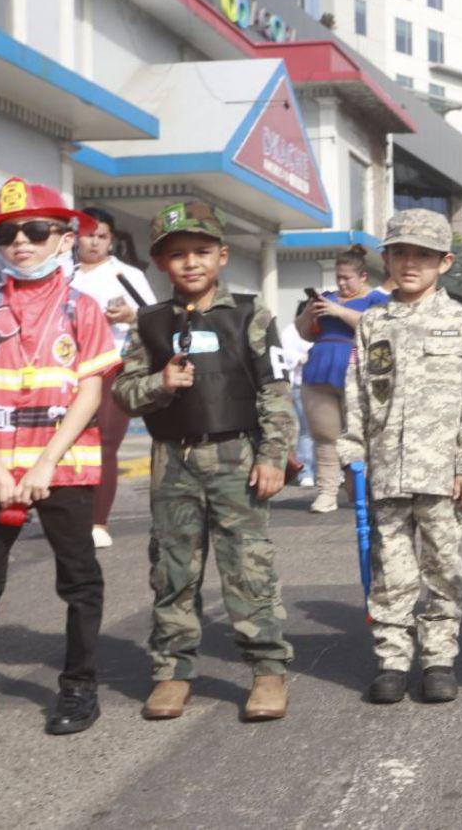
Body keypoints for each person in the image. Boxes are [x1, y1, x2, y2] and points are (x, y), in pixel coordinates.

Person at [112, 200, 296, 722]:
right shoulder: (148, 324)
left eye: (200, 252)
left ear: (221, 255)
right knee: (173, 570)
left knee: (248, 566)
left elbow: (276, 391)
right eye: (176, 255)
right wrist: (159, 384)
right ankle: (172, 671)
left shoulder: (251, 315)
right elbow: (124, 392)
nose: (189, 263)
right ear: (161, 264)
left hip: (238, 455)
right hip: (173, 459)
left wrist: (273, 456)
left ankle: (267, 669)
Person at [339, 209, 462, 705]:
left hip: (441, 472)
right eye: (400, 252)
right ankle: (393, 660)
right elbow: (357, 391)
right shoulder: (373, 320)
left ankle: (439, 658)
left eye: (423, 255)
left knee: (444, 567)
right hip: (385, 468)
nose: (410, 263)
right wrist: (352, 452)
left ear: (444, 262)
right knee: (392, 572)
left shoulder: (458, 319)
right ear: (387, 258)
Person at [0, 178, 120, 735]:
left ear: (64, 240)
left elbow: (91, 391)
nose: (20, 241)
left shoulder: (83, 308)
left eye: (35, 230)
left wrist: (44, 463)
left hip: (63, 466)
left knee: (78, 579)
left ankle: (78, 686)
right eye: (7, 233)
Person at [69, 206, 157, 548]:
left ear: (112, 240)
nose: (94, 242)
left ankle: (98, 522)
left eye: (102, 236)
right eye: (88, 234)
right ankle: (67, 518)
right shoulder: (62, 272)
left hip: (111, 367)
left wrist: (129, 316)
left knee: (105, 443)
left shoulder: (126, 275)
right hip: (67, 371)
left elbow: (154, 319)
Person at [297, 246, 389, 513]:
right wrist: (310, 312)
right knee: (324, 436)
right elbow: (305, 333)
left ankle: (360, 489)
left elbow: (378, 329)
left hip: (358, 374)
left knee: (359, 437)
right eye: (338, 277)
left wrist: (339, 312)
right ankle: (326, 492)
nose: (341, 283)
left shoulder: (376, 300)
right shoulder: (327, 298)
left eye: (346, 277)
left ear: (362, 276)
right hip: (319, 372)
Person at [281, 303, 315, 487]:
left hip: (322, 385)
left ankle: (328, 472)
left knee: (328, 432)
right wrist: (300, 358)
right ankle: (306, 471)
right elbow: (285, 355)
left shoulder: (323, 327)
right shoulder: (290, 331)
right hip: (300, 385)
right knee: (306, 432)